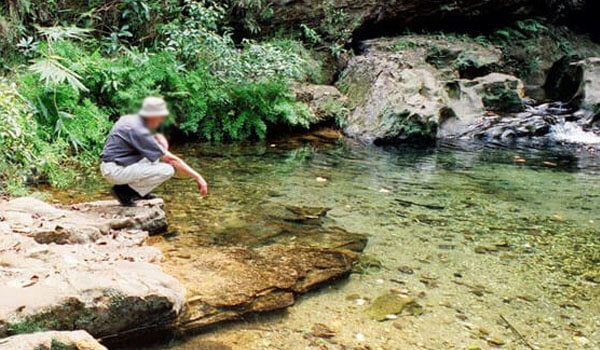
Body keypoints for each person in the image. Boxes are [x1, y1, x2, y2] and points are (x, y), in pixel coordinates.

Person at [100, 96, 208, 206]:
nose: (162, 120)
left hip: (114, 164)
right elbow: (172, 160)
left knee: (154, 157)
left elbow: (154, 137)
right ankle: (125, 192)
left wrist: (159, 136)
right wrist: (198, 177)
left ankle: (138, 191)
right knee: (168, 169)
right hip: (115, 171)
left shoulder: (130, 119)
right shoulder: (139, 130)